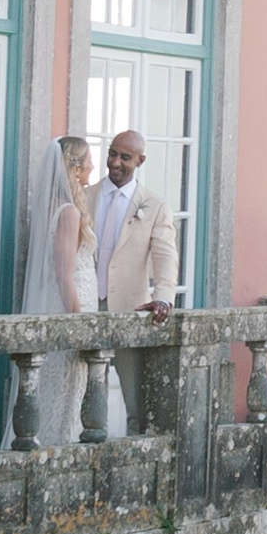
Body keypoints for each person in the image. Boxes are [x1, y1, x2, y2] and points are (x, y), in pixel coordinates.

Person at [80, 127, 179, 438]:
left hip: (129, 307)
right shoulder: (86, 196)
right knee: (81, 391)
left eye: (125, 157)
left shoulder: (154, 204)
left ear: (140, 160)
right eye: (112, 153)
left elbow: (165, 256)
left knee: (134, 398)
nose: (116, 162)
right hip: (85, 306)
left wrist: (163, 296)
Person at [16, 132, 94, 446]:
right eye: (88, 162)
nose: (92, 169)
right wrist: (78, 324)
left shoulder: (53, 207)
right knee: (66, 396)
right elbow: (64, 276)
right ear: (74, 168)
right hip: (70, 313)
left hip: (70, 307)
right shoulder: (67, 212)